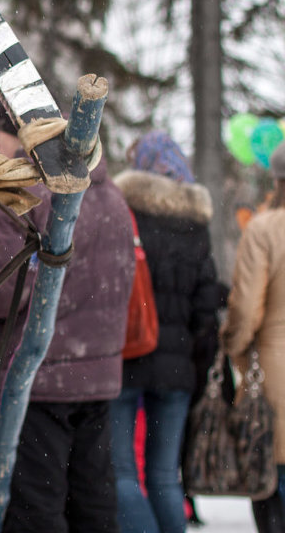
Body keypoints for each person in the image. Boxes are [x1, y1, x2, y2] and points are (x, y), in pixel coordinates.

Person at [0, 102, 135, 533]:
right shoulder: (113, 198)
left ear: (18, 137)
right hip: (96, 379)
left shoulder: (22, 194)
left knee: (33, 512)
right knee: (92, 509)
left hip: (34, 385)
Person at [111, 131, 221, 533]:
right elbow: (207, 307)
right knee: (163, 474)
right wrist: (194, 360)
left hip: (126, 357)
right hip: (177, 370)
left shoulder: (126, 211)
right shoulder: (196, 223)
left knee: (121, 470)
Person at [222, 141, 285, 532]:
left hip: (276, 379)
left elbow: (245, 310)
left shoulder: (264, 228)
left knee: (272, 490)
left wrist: (232, 346)